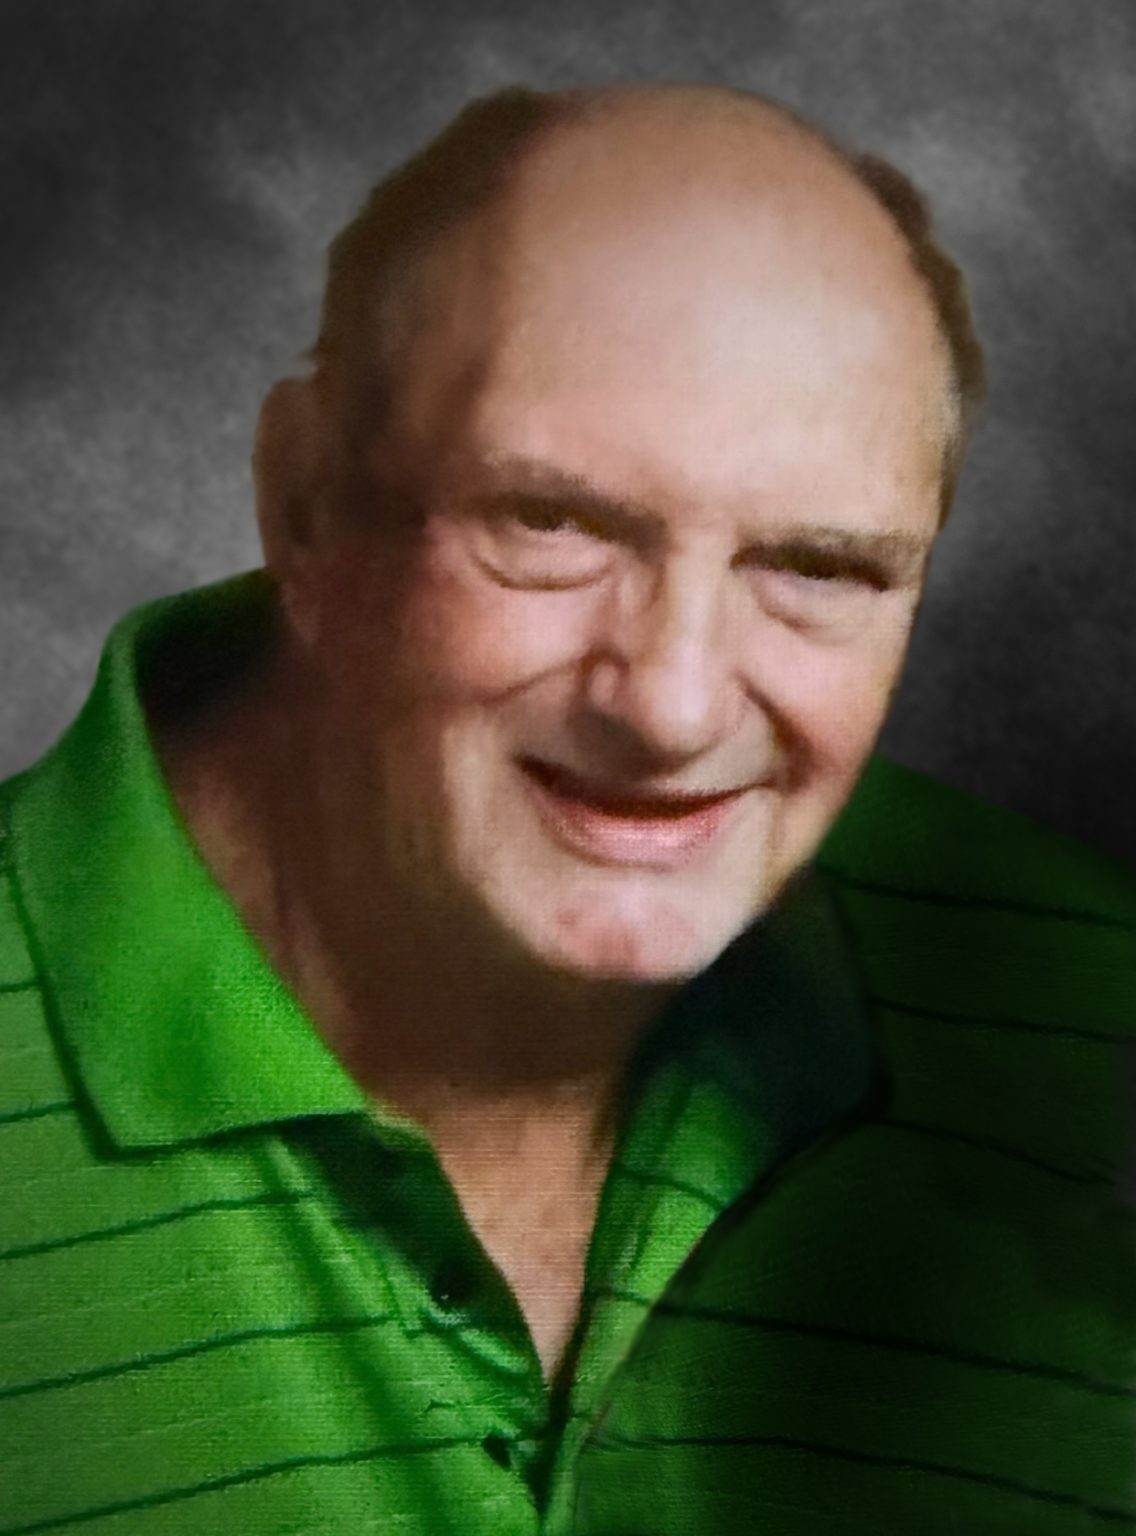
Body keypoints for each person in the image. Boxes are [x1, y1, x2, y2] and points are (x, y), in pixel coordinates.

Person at [1, 81, 1133, 1536]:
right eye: (552, 523)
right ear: (307, 505)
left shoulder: (1090, 1017)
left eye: (818, 567)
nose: (671, 706)